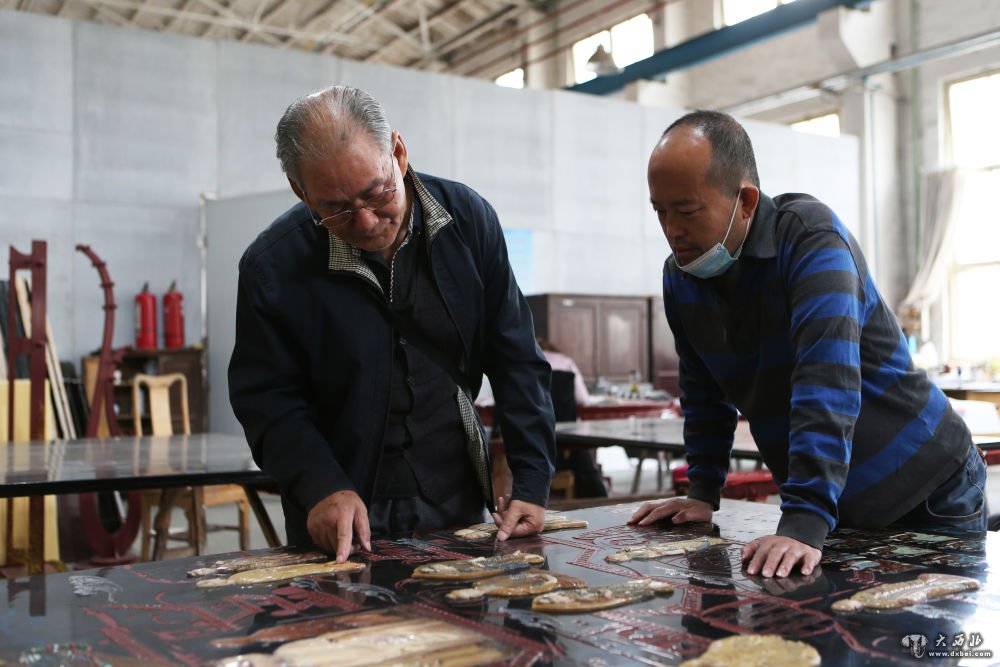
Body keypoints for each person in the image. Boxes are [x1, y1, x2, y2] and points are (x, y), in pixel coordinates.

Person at [630, 110, 987, 578]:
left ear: (745, 201)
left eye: (688, 210)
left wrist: (804, 516)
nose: (672, 229)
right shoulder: (682, 277)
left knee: (923, 623)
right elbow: (703, 391)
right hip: (838, 503)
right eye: (660, 211)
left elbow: (826, 379)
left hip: (925, 489)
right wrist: (702, 491)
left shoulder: (810, 239)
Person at [229, 85, 555, 561]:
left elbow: (517, 358)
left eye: (376, 193)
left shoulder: (467, 221)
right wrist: (320, 486)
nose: (365, 222)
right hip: (341, 506)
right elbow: (268, 401)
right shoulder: (273, 266)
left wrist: (532, 480)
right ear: (302, 193)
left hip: (455, 492)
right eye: (336, 209)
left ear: (398, 154)